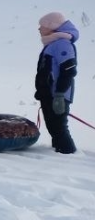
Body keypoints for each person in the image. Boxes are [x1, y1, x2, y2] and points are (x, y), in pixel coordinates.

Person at [36, 11, 79, 154]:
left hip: (57, 95)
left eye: (42, 26)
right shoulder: (53, 43)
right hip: (49, 94)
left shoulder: (62, 44)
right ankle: (59, 153)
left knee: (59, 128)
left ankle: (68, 154)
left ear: (52, 26)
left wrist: (60, 94)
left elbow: (69, 71)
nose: (39, 29)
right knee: (53, 128)